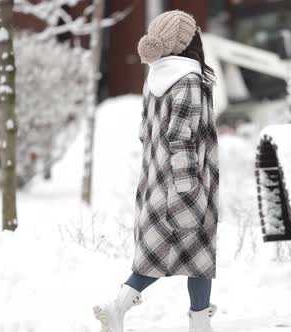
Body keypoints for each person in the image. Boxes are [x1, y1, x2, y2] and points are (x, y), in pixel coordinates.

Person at [93, 10, 220, 332]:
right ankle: (198, 323)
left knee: (164, 253)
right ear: (189, 40)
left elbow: (146, 132)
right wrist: (189, 187)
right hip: (184, 181)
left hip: (156, 180)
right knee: (196, 253)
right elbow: (180, 138)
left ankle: (120, 307)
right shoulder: (189, 81)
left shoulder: (157, 77)